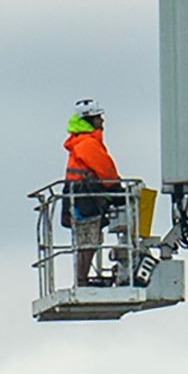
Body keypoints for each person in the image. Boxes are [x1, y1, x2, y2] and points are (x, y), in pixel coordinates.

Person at [63, 100, 122, 285]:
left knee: (88, 240)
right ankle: (81, 280)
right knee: (89, 240)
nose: (102, 121)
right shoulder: (87, 143)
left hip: (79, 197)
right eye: (98, 117)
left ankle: (82, 279)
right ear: (89, 119)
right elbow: (106, 170)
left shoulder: (81, 142)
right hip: (84, 198)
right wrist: (118, 191)